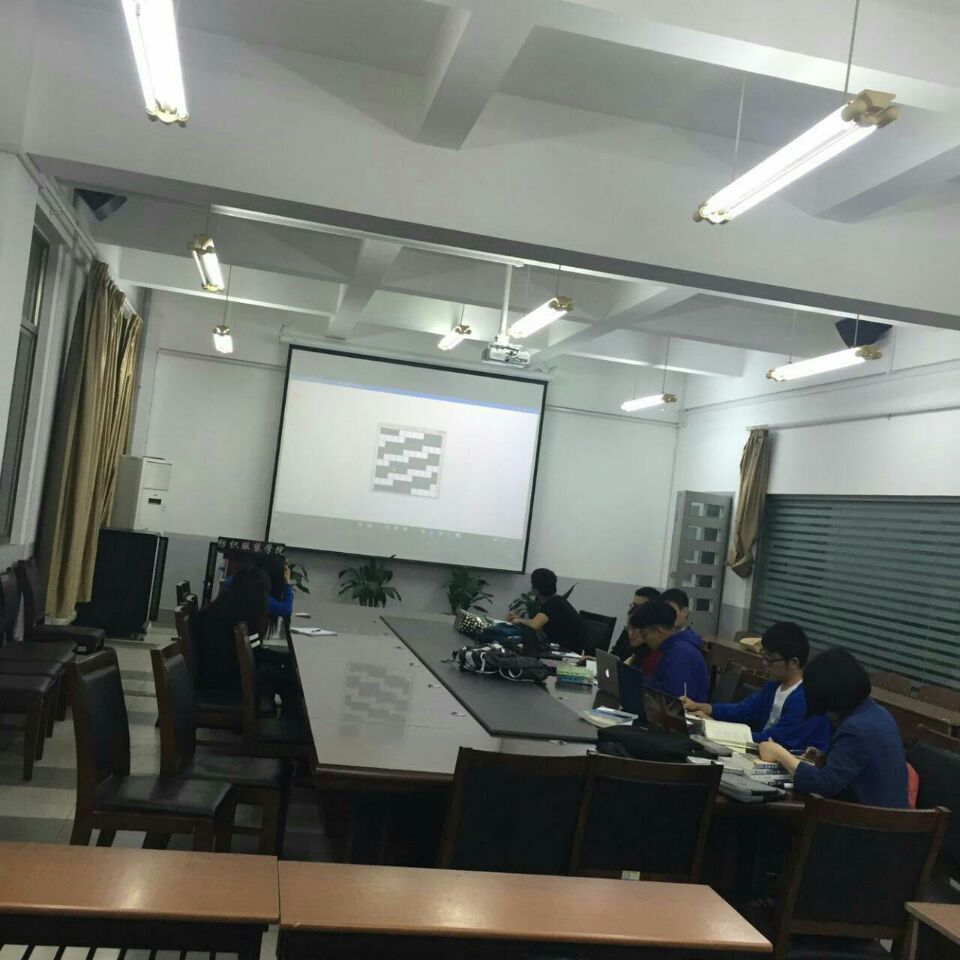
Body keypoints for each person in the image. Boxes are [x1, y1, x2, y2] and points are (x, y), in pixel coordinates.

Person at [758, 648, 908, 808]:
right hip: (885, 815)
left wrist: (781, 755)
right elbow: (858, 764)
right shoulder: (877, 712)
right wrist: (825, 758)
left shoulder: (855, 729)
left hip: (868, 820)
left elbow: (825, 784)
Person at [681, 622, 831, 752]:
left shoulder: (806, 698)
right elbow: (745, 710)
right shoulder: (774, 686)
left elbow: (775, 740)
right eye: (764, 657)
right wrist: (701, 707)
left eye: (770, 660)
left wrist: (715, 727)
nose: (765, 664)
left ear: (793, 662)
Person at [626, 599, 709, 701]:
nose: (645, 640)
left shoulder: (681, 654)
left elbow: (675, 701)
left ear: (658, 631)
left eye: (644, 635)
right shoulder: (670, 648)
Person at [507, 567, 583, 652]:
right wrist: (518, 618)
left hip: (570, 652)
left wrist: (518, 620)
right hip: (566, 648)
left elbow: (535, 625)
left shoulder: (552, 605)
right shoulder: (557, 601)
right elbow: (538, 623)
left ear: (535, 590)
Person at [610, 586, 661, 663]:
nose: (635, 610)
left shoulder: (652, 644)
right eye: (633, 605)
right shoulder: (628, 629)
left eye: (640, 607)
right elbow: (613, 654)